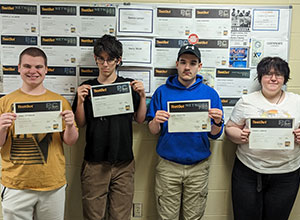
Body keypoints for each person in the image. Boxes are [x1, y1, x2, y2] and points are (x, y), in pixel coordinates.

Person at [72, 34, 146, 220]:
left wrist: (143, 97)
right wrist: (80, 101)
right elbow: (80, 123)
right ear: (95, 60)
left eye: (110, 59)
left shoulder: (127, 86)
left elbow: (139, 119)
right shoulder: (87, 87)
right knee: (93, 215)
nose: (105, 64)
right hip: (95, 162)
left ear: (118, 60)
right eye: (101, 59)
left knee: (121, 216)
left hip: (123, 162)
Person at [0, 47, 78, 220]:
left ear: (46, 69)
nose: (33, 71)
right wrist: (2, 128)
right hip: (16, 184)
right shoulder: (5, 102)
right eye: (27, 66)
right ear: (18, 67)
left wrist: (71, 125)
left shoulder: (60, 102)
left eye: (38, 67)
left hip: (52, 184)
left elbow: (70, 141)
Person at [147, 44, 224, 219]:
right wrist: (155, 121)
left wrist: (218, 122)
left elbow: (215, 134)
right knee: (167, 217)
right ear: (177, 64)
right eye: (183, 62)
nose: (187, 67)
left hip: (198, 166)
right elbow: (152, 131)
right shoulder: (162, 92)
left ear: (199, 66)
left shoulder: (210, 94)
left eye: (192, 63)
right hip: (168, 166)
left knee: (193, 217)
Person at [225, 57, 300, 220]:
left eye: (279, 74)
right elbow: (229, 128)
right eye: (268, 74)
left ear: (285, 79)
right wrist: (240, 135)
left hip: (286, 174)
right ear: (260, 78)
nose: (273, 78)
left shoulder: (297, 101)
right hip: (248, 171)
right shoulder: (247, 101)